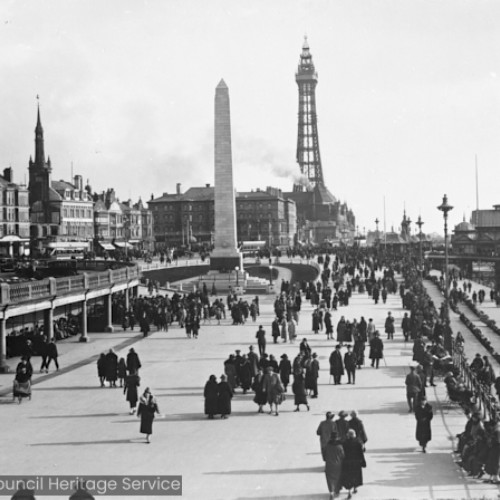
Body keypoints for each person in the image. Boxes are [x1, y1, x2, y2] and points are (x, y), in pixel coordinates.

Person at [341, 429, 366, 498]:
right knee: (355, 476)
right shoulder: (358, 443)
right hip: (356, 462)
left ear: (348, 435)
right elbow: (361, 453)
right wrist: (363, 462)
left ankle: (349, 492)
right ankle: (355, 488)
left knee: (348, 477)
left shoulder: (345, 443)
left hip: (347, 462)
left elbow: (342, 453)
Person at [324, 431, 345, 499]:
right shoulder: (340, 446)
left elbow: (324, 456)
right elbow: (343, 456)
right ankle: (337, 490)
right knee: (338, 478)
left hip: (329, 465)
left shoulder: (327, 446)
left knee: (330, 479)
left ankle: (331, 492)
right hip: (338, 465)